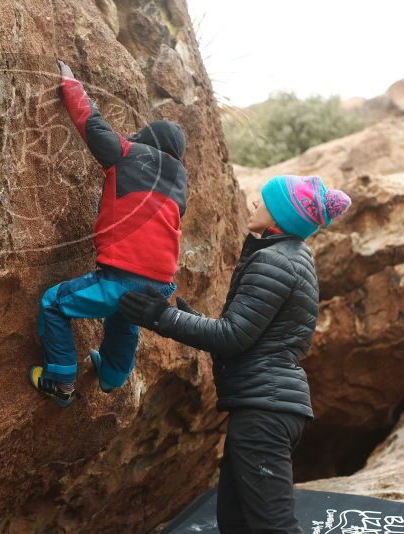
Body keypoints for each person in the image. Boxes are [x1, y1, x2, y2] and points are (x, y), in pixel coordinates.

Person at [119, 175, 352, 532]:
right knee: (235, 519)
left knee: (271, 525)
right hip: (268, 406)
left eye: (264, 201)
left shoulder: (274, 260)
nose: (255, 205)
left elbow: (232, 337)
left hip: (265, 412)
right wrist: (191, 319)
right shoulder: (291, 258)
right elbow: (259, 336)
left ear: (279, 217)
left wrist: (159, 315)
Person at [27, 59, 188, 407]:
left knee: (54, 304)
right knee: (124, 320)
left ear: (148, 139)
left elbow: (91, 124)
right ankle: (113, 378)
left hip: (121, 277)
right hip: (158, 287)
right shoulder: (181, 184)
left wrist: (70, 83)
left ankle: (61, 382)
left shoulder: (129, 154)